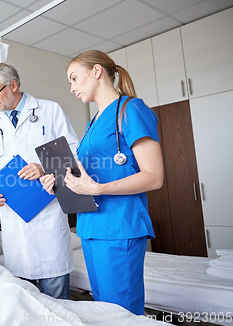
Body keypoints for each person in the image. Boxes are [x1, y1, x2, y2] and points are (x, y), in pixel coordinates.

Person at [40, 50, 163, 315]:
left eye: (74, 78)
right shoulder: (93, 122)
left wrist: (99, 189)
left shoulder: (131, 110)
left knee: (122, 313)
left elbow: (154, 176)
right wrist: (58, 184)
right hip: (90, 227)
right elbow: (88, 176)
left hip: (119, 226)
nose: (72, 88)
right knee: (105, 312)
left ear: (96, 71)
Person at [0, 62, 79, 299]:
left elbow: (74, 152)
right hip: (14, 224)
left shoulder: (50, 110)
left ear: (13, 85)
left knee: (58, 310)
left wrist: (44, 167)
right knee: (25, 309)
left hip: (48, 221)